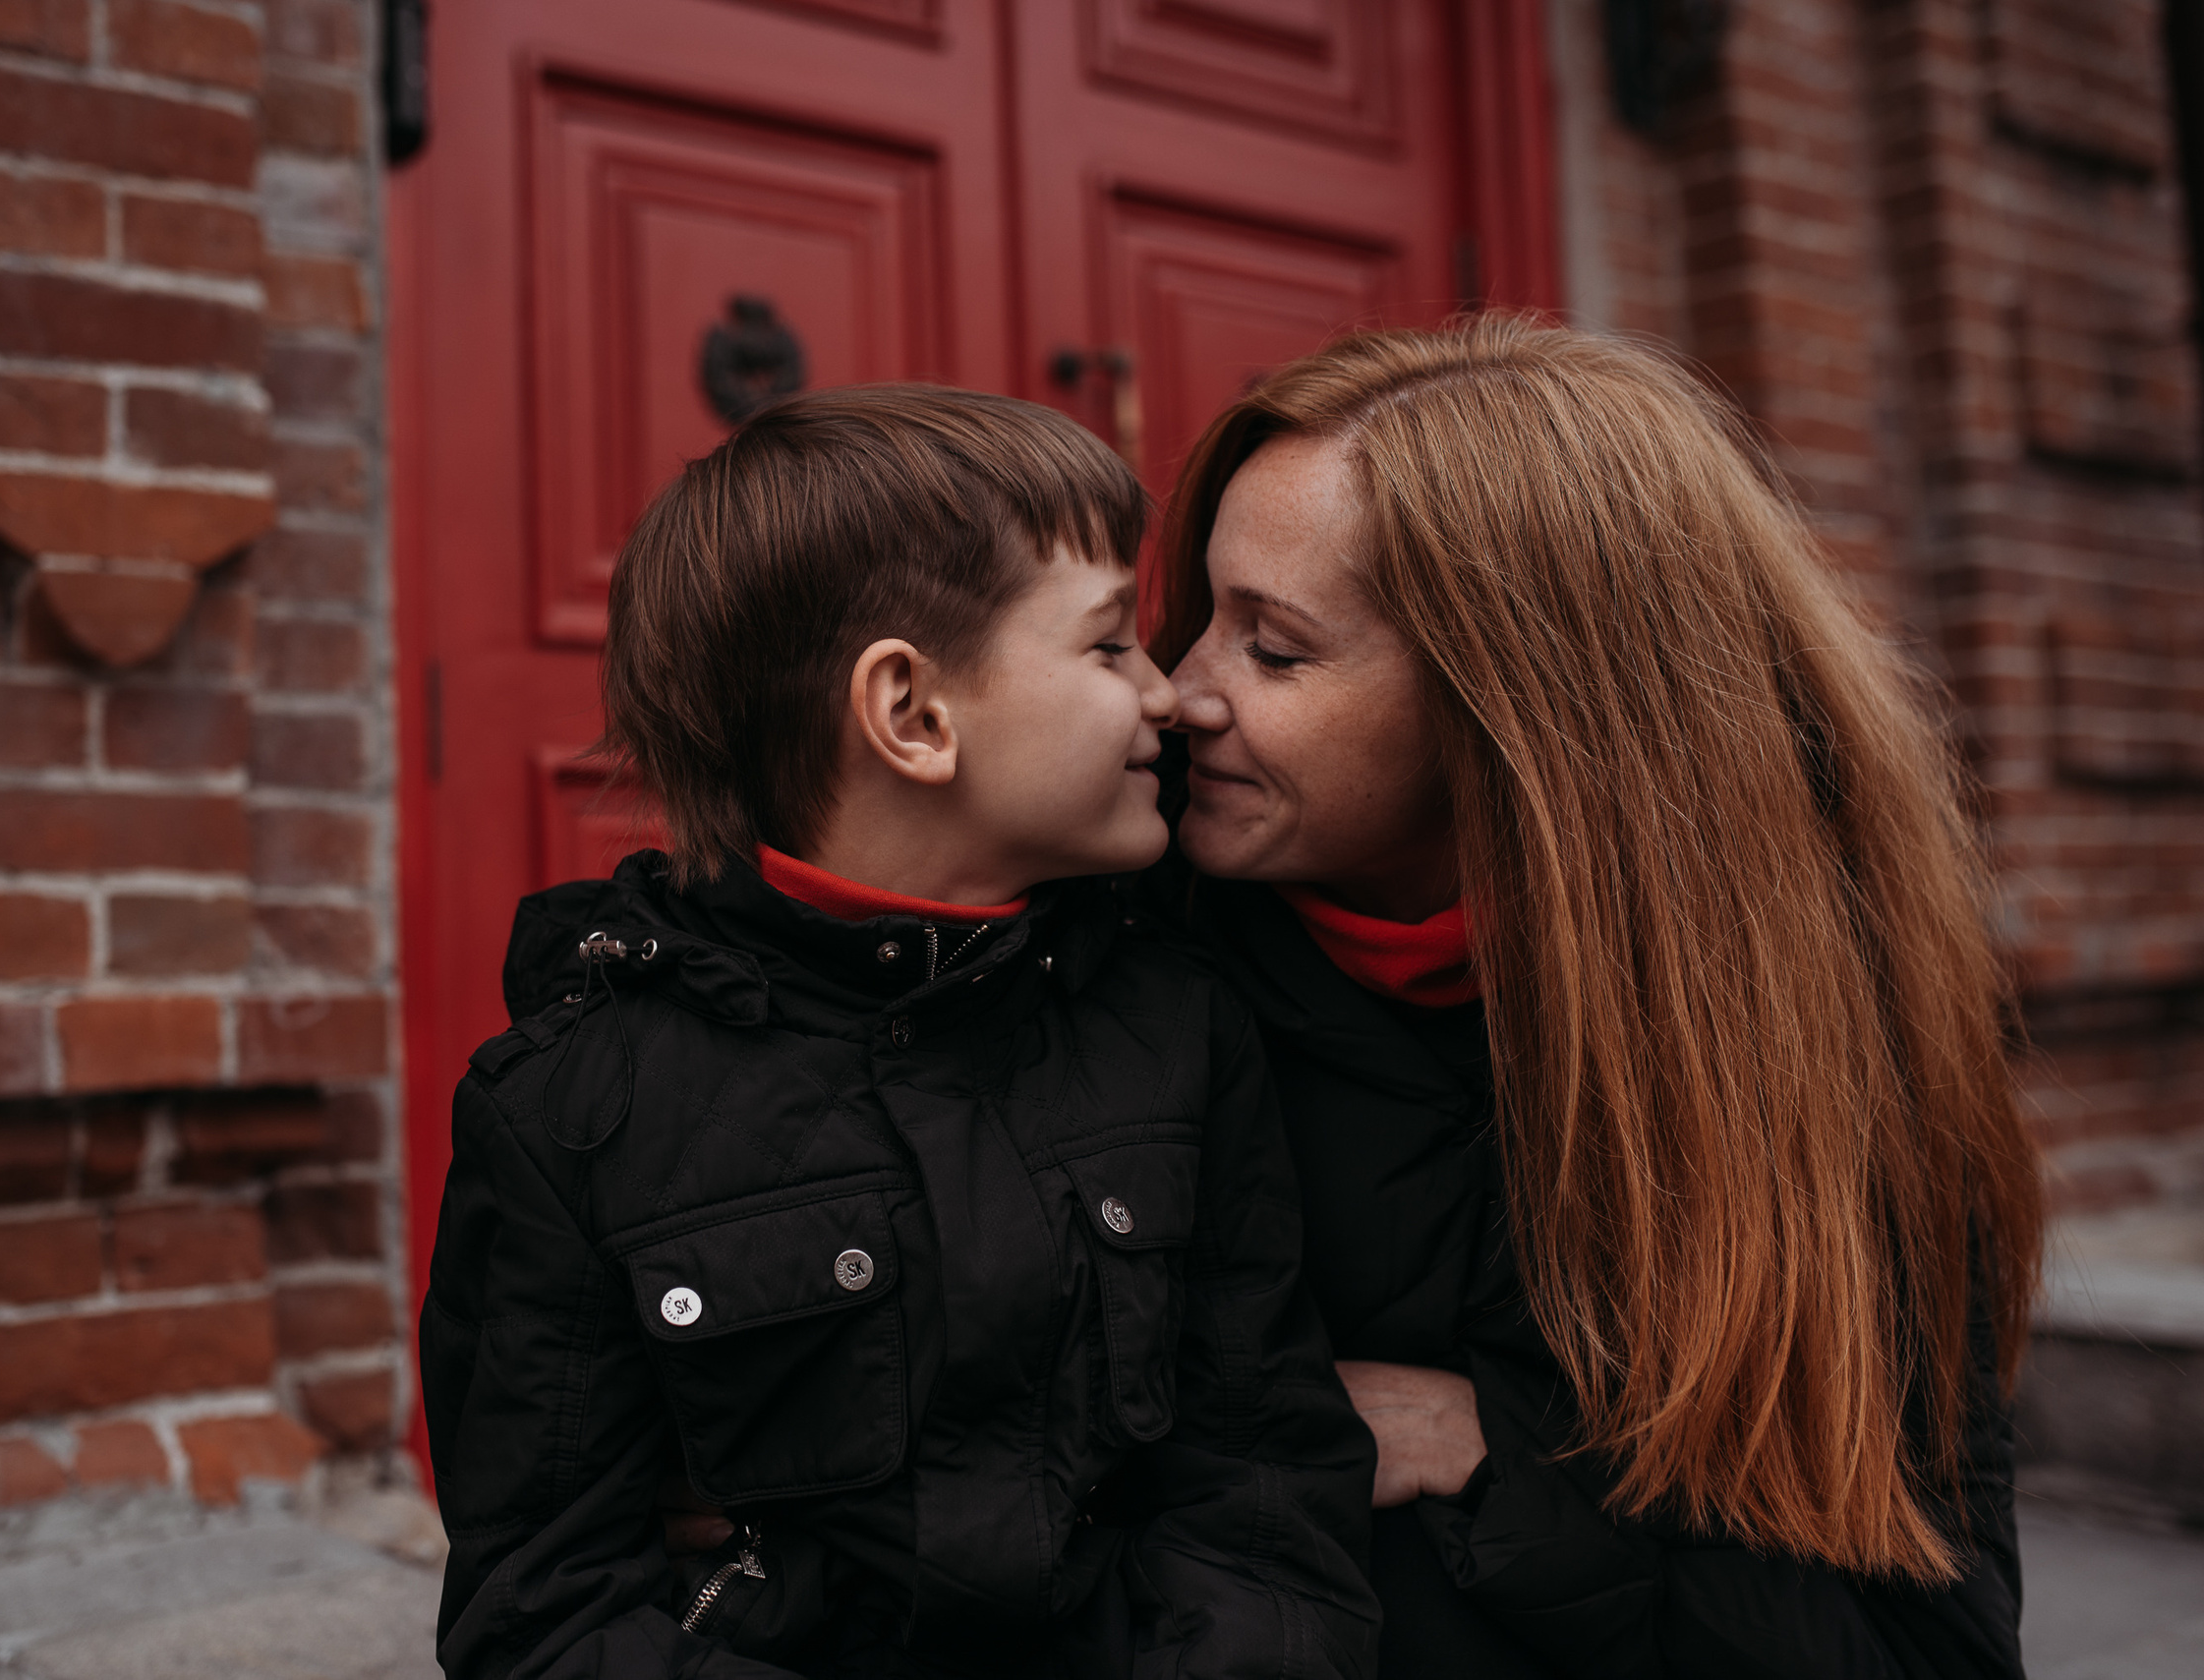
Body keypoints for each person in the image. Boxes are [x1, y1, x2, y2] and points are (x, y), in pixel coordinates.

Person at [421, 385, 1379, 1680]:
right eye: (1110, 646)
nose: (1172, 695)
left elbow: (1262, 1490)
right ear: (915, 716)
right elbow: (546, 1615)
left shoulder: (1175, 1024)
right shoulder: (576, 1111)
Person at [1144, 317, 2046, 1678]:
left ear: (1519, 710)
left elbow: (1931, 1646)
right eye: (1203, 617)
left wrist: (1504, 1464)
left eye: (1274, 650)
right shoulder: (1113, 965)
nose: (1178, 693)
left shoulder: (1819, 1053)